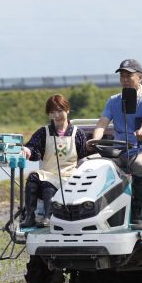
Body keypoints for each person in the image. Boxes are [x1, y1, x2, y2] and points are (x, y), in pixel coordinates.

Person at [91, 58, 142, 223]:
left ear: (139, 77)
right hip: (118, 150)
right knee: (87, 163)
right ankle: (92, 211)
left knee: (141, 165)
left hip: (140, 148)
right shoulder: (114, 100)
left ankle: (138, 210)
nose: (125, 80)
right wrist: (94, 141)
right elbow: (102, 123)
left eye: (129, 75)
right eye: (122, 76)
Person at [20, 94, 89, 228]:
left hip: (69, 177)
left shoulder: (78, 133)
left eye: (59, 111)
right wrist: (28, 150)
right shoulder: (43, 132)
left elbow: (83, 157)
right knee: (33, 177)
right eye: (52, 112)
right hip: (48, 173)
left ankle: (49, 216)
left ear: (67, 110)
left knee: (47, 185)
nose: (56, 115)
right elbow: (33, 148)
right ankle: (29, 216)